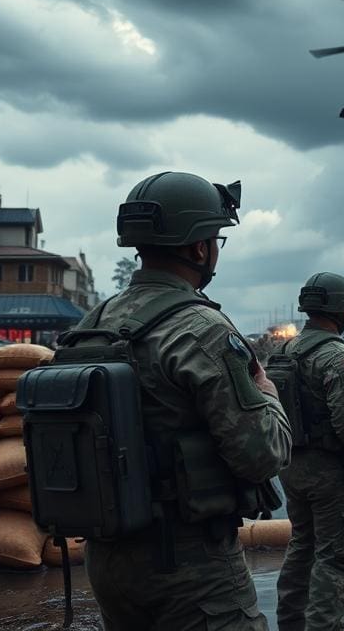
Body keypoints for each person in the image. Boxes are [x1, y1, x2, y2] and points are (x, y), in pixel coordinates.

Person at [80, 171, 292, 630]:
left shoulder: (93, 322)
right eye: (215, 239)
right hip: (190, 566)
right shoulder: (201, 328)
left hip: (108, 560)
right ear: (199, 248)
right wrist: (270, 397)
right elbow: (261, 456)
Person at [277, 272, 344, 631]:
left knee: (303, 546)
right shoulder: (338, 356)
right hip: (328, 469)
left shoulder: (284, 351)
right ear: (341, 310)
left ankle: (291, 624)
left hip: (290, 465)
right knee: (341, 553)